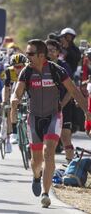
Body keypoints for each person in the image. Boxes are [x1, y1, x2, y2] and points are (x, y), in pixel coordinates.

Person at [11, 39, 91, 208]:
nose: (27, 57)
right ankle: (36, 176)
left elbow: (74, 92)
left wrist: (87, 112)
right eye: (27, 53)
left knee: (49, 152)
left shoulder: (56, 70)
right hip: (33, 118)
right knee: (36, 160)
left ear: (41, 55)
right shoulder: (26, 72)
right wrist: (14, 100)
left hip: (53, 116)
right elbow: (17, 92)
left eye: (31, 54)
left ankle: (45, 193)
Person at [45, 39, 74, 162]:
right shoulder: (40, 65)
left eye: (53, 50)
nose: (50, 52)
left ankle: (70, 165)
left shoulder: (64, 66)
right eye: (47, 50)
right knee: (45, 138)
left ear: (58, 53)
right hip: (45, 106)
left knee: (65, 136)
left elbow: (71, 90)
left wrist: (61, 105)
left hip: (64, 105)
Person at [2, 53, 28, 148]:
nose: (17, 69)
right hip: (15, 88)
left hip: (27, 88)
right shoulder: (9, 72)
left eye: (20, 66)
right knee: (12, 103)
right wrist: (5, 101)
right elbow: (6, 87)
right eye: (15, 67)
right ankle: (14, 132)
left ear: (25, 65)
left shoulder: (29, 70)